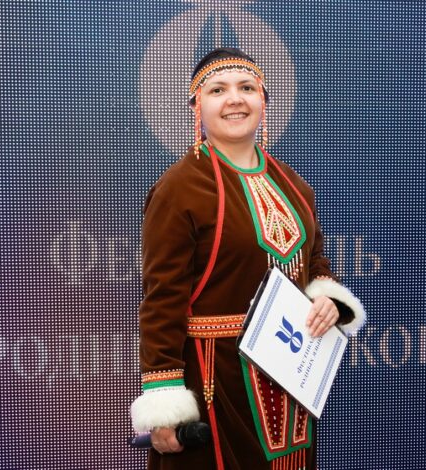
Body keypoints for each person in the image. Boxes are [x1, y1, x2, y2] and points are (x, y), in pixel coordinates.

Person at [130, 47, 366, 470]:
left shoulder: (293, 185)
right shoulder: (179, 188)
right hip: (217, 378)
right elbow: (161, 300)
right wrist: (164, 398)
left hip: (291, 377)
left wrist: (327, 300)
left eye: (246, 87)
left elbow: (314, 262)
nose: (234, 99)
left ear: (264, 101)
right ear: (197, 106)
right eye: (218, 90)